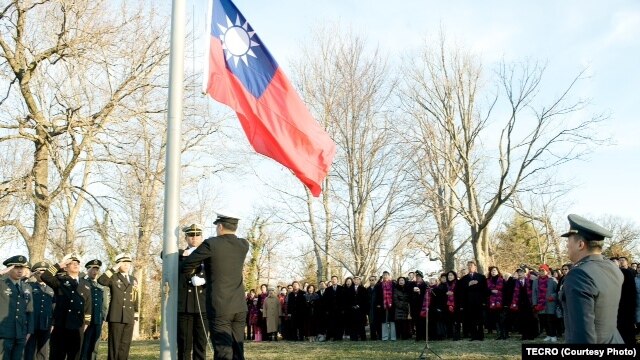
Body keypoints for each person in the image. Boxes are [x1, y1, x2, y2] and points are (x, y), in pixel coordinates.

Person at [181, 211, 250, 360]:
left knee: (223, 351)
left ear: (219, 226)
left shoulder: (211, 244)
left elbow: (186, 265)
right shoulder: (244, 245)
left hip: (220, 306)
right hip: (239, 306)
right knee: (238, 350)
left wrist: (195, 273)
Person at [559, 214, 624, 344]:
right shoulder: (612, 268)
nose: (567, 246)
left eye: (568, 242)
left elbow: (582, 333)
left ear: (580, 244)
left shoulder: (579, 274)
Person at [40, 253, 92, 359]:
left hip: (77, 326)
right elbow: (45, 276)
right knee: (57, 355)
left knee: (75, 356)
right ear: (66, 266)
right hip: (61, 325)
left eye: (77, 263)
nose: (75, 265)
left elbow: (88, 305)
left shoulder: (86, 284)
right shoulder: (60, 280)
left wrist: (87, 322)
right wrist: (60, 264)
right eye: (72, 263)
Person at [98, 253, 138, 360]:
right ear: (118, 264)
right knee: (114, 346)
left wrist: (136, 314)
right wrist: (113, 269)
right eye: (123, 263)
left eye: (128, 263)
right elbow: (101, 280)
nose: (126, 265)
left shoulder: (133, 279)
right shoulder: (113, 277)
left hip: (129, 316)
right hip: (116, 315)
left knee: (125, 346)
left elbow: (135, 297)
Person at [178, 224, 208, 359]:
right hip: (185, 306)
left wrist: (204, 279)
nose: (194, 238)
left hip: (203, 305)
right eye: (191, 235)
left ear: (201, 237)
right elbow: (164, 254)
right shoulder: (180, 255)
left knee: (201, 344)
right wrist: (182, 253)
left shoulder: (208, 255)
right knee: (184, 345)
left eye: (197, 235)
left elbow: (217, 273)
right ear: (186, 238)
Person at [0, 255, 33, 360]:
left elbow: (30, 310)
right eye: (16, 267)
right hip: (4, 333)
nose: (20, 271)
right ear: (9, 269)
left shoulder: (27, 287)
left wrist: (29, 331)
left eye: (21, 268)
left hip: (21, 333)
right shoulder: (2, 284)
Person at [24, 261, 54, 360]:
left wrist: (53, 323)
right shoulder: (29, 286)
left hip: (46, 324)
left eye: (45, 272)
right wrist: (28, 275)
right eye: (39, 272)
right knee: (29, 351)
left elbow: (55, 306)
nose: (42, 274)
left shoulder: (52, 288)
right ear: (35, 273)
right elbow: (19, 283)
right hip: (32, 324)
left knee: (43, 352)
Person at [80, 259, 106, 360]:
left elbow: (104, 304)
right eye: (92, 269)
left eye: (97, 270)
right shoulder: (83, 283)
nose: (95, 272)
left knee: (95, 346)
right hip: (86, 320)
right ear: (87, 270)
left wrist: (103, 317)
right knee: (85, 345)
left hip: (97, 320)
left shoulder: (101, 285)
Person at [456, 260, 488, 341]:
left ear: (475, 267)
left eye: (471, 265)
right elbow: (461, 291)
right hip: (469, 302)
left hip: (479, 301)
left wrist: (484, 301)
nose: (470, 267)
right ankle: (473, 336)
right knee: (471, 319)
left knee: (480, 319)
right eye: (468, 266)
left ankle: (481, 336)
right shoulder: (464, 278)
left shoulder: (481, 277)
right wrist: (468, 284)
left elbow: (485, 289)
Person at [532, 264, 558, 342]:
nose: (541, 272)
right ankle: (548, 335)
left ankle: (553, 335)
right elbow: (534, 293)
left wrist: (552, 296)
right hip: (540, 304)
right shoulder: (536, 281)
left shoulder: (552, 280)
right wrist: (534, 303)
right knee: (543, 320)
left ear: (547, 271)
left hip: (550, 303)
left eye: (543, 271)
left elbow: (557, 291)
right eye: (540, 271)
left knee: (551, 320)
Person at [616, 256, 637, 345]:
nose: (620, 262)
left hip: (627, 305)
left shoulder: (627, 272)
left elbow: (632, 291)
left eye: (622, 260)